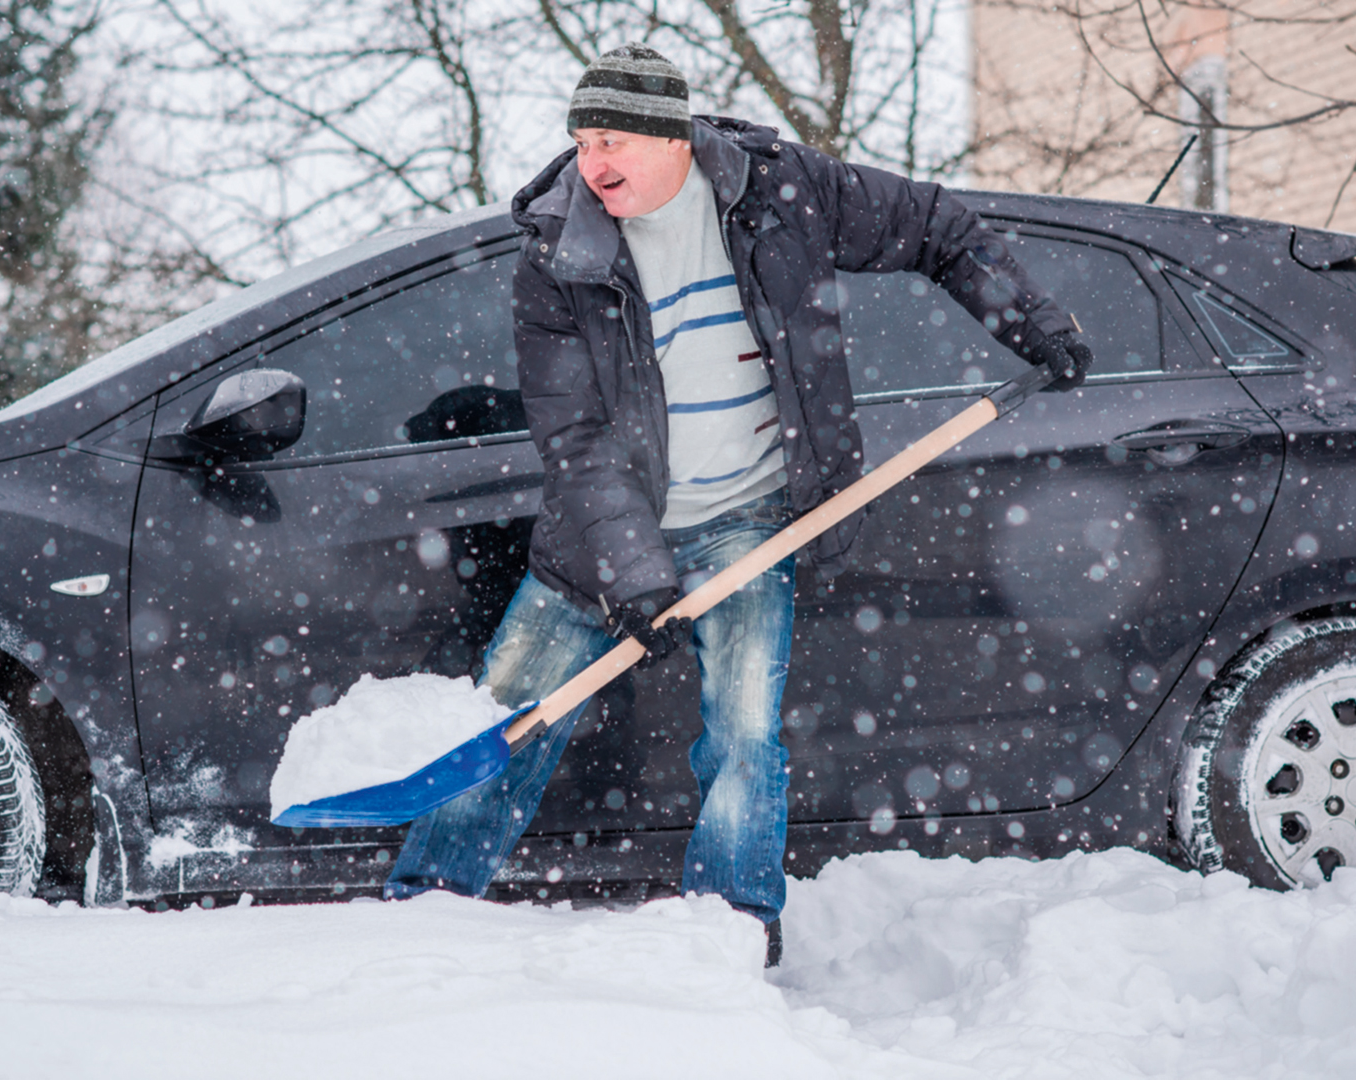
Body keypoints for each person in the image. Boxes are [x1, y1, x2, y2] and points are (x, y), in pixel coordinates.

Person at [384, 44, 1091, 967]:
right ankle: (423, 914)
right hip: (600, 537)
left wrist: (1033, 322)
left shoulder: (782, 193)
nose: (591, 164)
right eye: (582, 142)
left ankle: (731, 929)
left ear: (671, 135)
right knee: (507, 724)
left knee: (746, 738)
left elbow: (934, 226)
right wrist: (635, 573)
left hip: (751, 518)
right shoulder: (559, 254)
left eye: (611, 141)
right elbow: (578, 439)